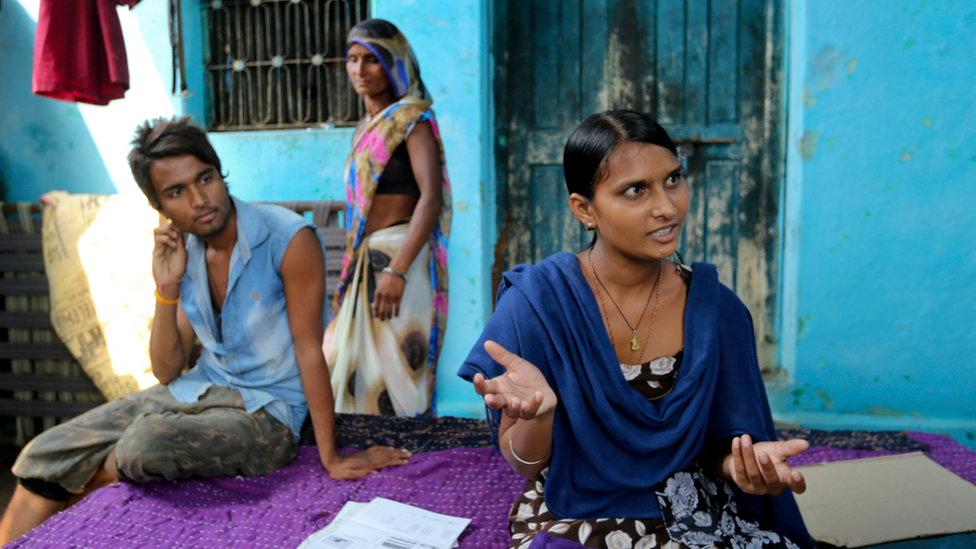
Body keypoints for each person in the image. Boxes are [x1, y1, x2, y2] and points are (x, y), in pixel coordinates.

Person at [0, 116, 410, 543]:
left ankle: (70, 507)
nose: (199, 199)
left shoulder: (288, 240)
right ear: (159, 207)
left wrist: (331, 458)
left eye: (205, 178)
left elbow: (310, 351)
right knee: (42, 454)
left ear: (219, 173)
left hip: (268, 414)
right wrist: (167, 287)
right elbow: (167, 371)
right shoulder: (187, 250)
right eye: (176, 192)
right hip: (200, 390)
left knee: (143, 445)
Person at [458, 111, 815, 549]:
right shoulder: (539, 305)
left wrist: (744, 462)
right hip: (579, 511)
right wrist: (539, 416)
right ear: (584, 209)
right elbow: (526, 466)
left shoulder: (717, 310)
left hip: (696, 512)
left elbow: (722, 445)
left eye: (672, 179)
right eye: (635, 190)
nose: (667, 206)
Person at [324, 19, 451, 417]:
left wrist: (396, 271)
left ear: (393, 63)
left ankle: (407, 462)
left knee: (396, 368)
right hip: (365, 260)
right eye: (352, 59)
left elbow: (430, 198)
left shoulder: (412, 121)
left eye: (372, 60)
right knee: (344, 364)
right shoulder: (366, 127)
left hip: (400, 259)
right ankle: (368, 452)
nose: (359, 71)